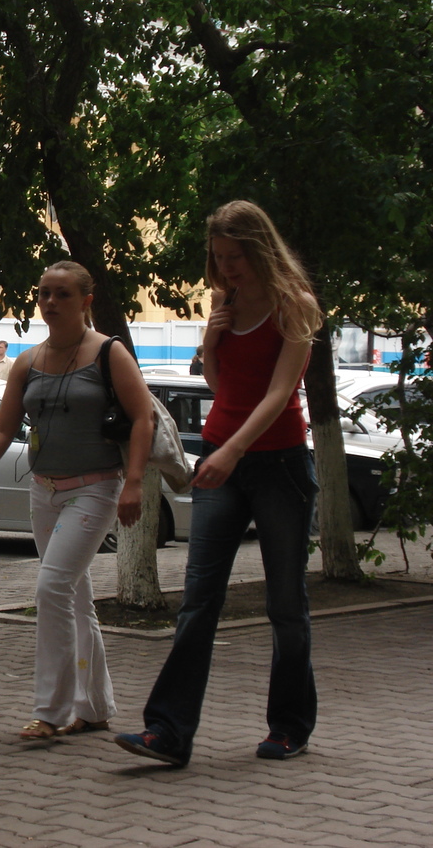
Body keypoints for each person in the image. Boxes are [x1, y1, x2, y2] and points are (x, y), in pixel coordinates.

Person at [115, 200, 323, 767]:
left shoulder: (294, 305)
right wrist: (210, 338)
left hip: (278, 464)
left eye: (235, 257)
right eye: (219, 257)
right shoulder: (224, 302)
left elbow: (280, 394)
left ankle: (289, 725)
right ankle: (168, 732)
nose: (226, 268)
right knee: (199, 601)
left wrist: (232, 451)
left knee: (286, 602)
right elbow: (218, 380)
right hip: (222, 460)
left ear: (260, 249)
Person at [0, 260, 154, 741]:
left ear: (86, 300)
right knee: (74, 596)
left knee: (51, 589)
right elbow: (3, 427)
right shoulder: (28, 361)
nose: (50, 302)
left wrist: (134, 482)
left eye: (62, 294)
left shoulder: (109, 353)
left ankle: (51, 710)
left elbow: (142, 417)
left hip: (95, 487)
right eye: (43, 293)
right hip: (43, 491)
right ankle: (96, 706)